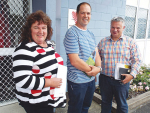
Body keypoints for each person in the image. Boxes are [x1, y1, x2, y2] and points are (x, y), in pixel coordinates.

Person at [12, 10, 66, 113]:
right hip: (36, 103)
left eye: (44, 28)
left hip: (49, 98)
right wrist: (50, 82)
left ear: (48, 29)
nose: (40, 31)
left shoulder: (48, 44)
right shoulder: (24, 49)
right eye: (36, 27)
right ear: (29, 30)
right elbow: (22, 80)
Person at [97, 17, 142, 113]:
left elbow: (137, 60)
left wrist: (132, 75)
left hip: (122, 80)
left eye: (118, 27)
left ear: (123, 28)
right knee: (105, 104)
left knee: (122, 106)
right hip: (105, 79)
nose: (115, 30)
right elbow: (97, 59)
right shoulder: (102, 42)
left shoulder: (130, 42)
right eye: (113, 27)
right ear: (110, 27)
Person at [64, 2, 101, 113]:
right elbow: (75, 61)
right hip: (77, 81)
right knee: (76, 109)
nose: (86, 16)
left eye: (88, 13)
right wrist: (92, 71)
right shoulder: (72, 33)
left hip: (90, 80)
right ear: (76, 14)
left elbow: (96, 53)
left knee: (85, 107)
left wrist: (98, 68)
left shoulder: (91, 34)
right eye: (83, 13)